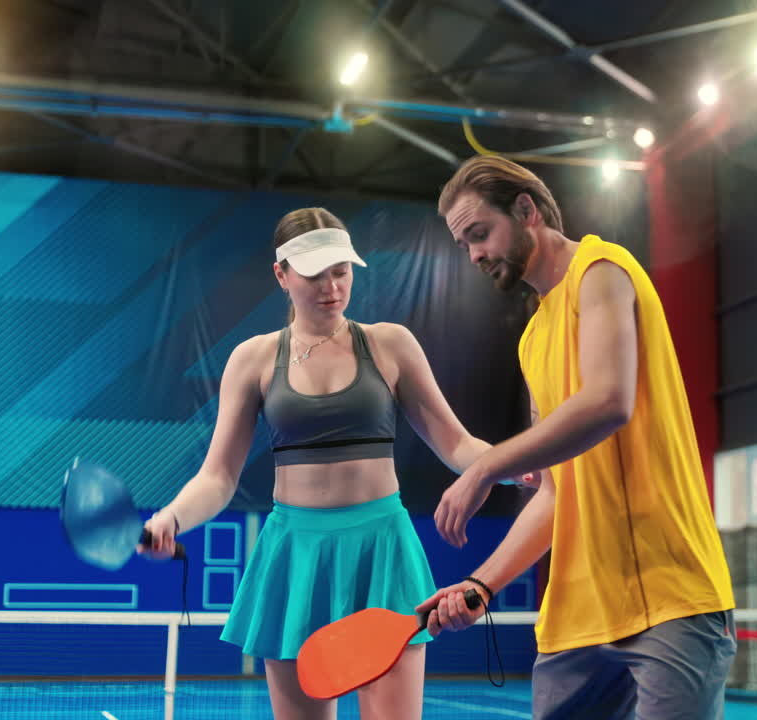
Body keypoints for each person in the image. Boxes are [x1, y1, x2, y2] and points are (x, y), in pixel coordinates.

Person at [141, 207, 502, 720]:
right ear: (281, 275)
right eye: (314, 274)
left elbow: (458, 445)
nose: (331, 286)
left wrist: (513, 463)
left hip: (383, 552)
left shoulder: (391, 343)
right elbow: (218, 478)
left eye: (342, 271)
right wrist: (170, 519)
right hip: (295, 558)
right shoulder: (254, 358)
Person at [417, 156, 738, 719]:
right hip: (577, 616)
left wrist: (485, 467)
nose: (474, 255)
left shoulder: (602, 269)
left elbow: (608, 401)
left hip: (670, 598)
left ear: (526, 210)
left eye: (479, 234)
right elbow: (556, 491)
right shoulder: (533, 338)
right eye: (464, 244)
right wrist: (480, 585)